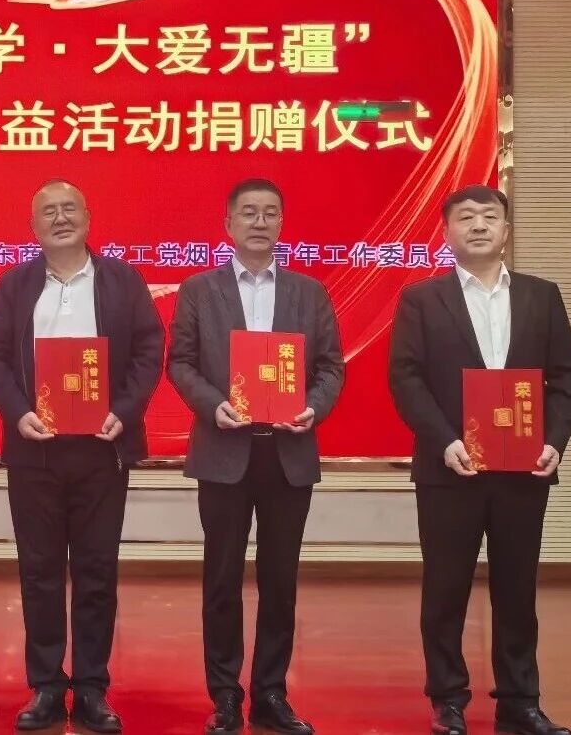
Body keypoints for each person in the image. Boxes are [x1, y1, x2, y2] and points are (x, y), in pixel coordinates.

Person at [389, 185, 571, 735]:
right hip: (449, 468)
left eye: (489, 217)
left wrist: (554, 440)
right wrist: (444, 440)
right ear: (446, 232)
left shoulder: (542, 296)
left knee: (517, 589)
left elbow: (566, 377)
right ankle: (448, 699)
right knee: (445, 588)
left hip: (524, 468)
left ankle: (520, 701)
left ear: (505, 230)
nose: (478, 225)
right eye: (466, 217)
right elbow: (406, 377)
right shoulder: (422, 299)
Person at [0, 178, 163, 733]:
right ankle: (45, 685)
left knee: (97, 570)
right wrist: (17, 412)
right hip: (35, 450)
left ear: (87, 216)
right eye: (48, 212)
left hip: (102, 449)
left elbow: (149, 349)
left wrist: (124, 410)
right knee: (38, 572)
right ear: (33, 226)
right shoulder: (15, 284)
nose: (60, 219)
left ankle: (91, 688)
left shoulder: (122, 281)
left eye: (69, 208)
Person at [167, 179, 344, 735]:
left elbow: (331, 367)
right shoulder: (200, 289)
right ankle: (224, 694)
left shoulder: (309, 292)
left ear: (282, 223)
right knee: (221, 579)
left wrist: (313, 407)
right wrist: (213, 405)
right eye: (249, 213)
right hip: (224, 450)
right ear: (229, 224)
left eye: (270, 213)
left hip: (288, 452)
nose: (260, 222)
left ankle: (271, 693)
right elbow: (181, 363)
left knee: (280, 579)